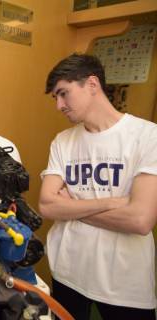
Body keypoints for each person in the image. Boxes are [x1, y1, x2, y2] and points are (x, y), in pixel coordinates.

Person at [39, 53, 157, 320]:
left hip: (125, 284)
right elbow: (47, 205)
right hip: (68, 272)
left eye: (63, 94)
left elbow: (140, 220)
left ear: (92, 85)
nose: (59, 105)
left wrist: (71, 206)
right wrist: (113, 202)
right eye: (55, 98)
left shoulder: (148, 136)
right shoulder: (63, 141)